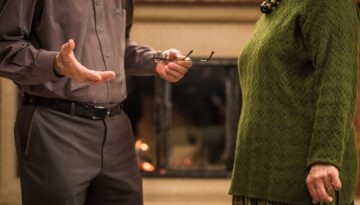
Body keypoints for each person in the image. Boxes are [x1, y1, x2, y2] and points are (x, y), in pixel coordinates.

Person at [0, 0, 191, 205]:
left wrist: (154, 59)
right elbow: (5, 45)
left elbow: (120, 44)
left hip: (118, 132)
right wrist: (55, 64)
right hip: (55, 127)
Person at [229, 0, 359, 204]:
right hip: (256, 178)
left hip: (304, 181)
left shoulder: (331, 3)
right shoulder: (277, 7)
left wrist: (325, 159)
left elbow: (338, 82)